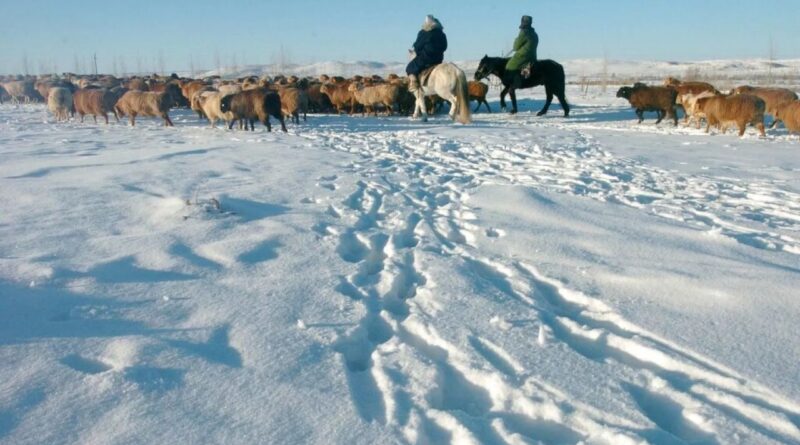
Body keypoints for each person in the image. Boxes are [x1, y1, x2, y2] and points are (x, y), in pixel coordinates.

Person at [406, 15, 448, 93]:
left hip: (426, 58)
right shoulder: (441, 33)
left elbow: (418, 46)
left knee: (410, 67)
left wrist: (418, 51)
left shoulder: (424, 32)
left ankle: (414, 84)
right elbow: (445, 47)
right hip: (439, 59)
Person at [505, 15, 539, 89]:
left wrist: (517, 38)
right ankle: (526, 70)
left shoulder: (524, 32)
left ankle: (516, 83)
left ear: (523, 22)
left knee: (509, 66)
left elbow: (516, 47)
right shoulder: (534, 33)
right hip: (532, 57)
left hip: (522, 56)